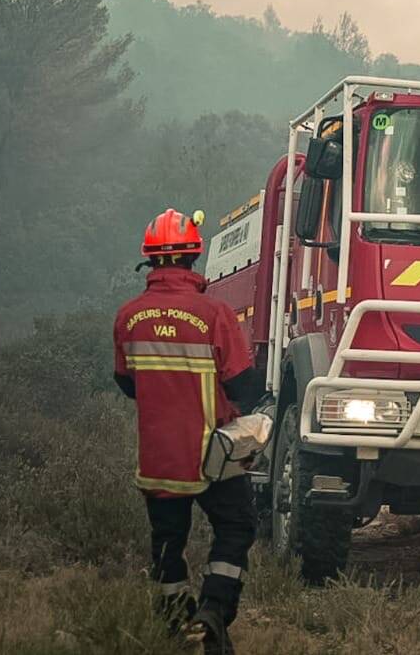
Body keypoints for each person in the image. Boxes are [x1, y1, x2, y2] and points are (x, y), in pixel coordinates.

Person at [113, 208, 264, 654]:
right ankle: (213, 614)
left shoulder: (128, 317)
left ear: (150, 261)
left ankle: (178, 626)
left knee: (167, 544)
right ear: (194, 258)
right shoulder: (214, 314)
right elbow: (242, 384)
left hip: (158, 458)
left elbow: (127, 383)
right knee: (236, 528)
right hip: (212, 455)